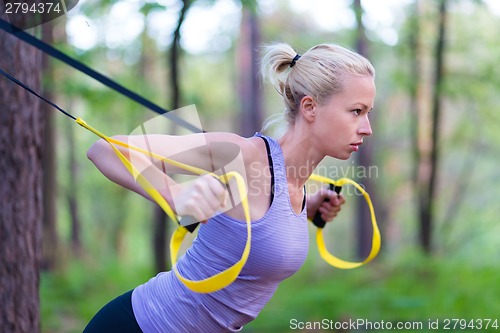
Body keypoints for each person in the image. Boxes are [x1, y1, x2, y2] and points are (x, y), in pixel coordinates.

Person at [83, 41, 376, 333]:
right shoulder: (243, 155)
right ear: (310, 107)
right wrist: (177, 195)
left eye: (367, 113)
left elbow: (259, 220)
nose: (367, 127)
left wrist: (309, 208)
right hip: (138, 325)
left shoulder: (294, 184)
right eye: (356, 111)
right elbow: (104, 151)